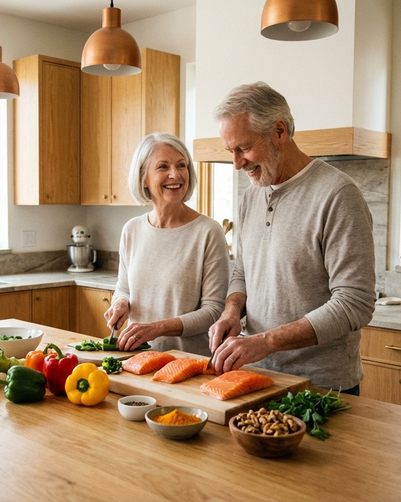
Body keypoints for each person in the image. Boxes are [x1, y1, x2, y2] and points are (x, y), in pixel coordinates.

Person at [207, 82, 375, 395]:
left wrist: (264, 342)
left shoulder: (338, 195)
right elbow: (243, 273)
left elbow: (355, 303)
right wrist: (232, 312)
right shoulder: (250, 196)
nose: (237, 163)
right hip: (256, 376)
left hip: (322, 386)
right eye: (231, 151)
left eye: (243, 148)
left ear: (279, 131)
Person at [105, 133, 230, 356]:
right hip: (136, 358)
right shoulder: (131, 230)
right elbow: (123, 287)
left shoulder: (208, 231)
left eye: (181, 165)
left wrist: (157, 328)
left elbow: (213, 311)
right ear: (144, 177)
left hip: (190, 363)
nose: (175, 174)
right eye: (163, 167)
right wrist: (120, 303)